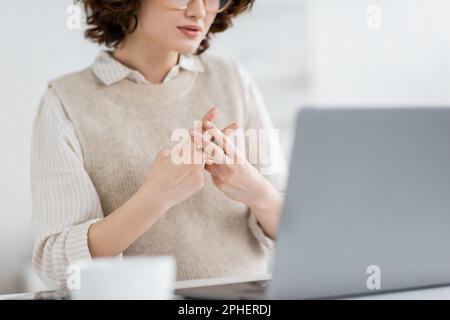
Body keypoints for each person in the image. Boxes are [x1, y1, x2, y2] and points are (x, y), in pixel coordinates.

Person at [31, 0, 286, 289]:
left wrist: (258, 192)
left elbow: (298, 235)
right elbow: (57, 267)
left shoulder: (233, 79)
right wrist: (154, 199)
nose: (199, 11)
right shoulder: (65, 103)